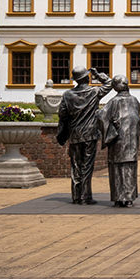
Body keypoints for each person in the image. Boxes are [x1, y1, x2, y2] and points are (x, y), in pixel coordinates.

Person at [56, 66, 113, 204]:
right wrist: (98, 75)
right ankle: (85, 196)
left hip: (75, 135)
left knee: (75, 166)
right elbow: (110, 83)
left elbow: (62, 114)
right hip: (90, 134)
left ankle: (76, 196)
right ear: (86, 78)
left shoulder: (68, 95)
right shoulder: (94, 92)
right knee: (87, 166)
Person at [98, 75, 140, 207]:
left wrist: (110, 131)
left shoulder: (114, 101)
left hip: (118, 141)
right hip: (132, 142)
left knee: (117, 169)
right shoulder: (134, 100)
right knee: (130, 169)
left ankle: (118, 198)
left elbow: (101, 117)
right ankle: (129, 198)